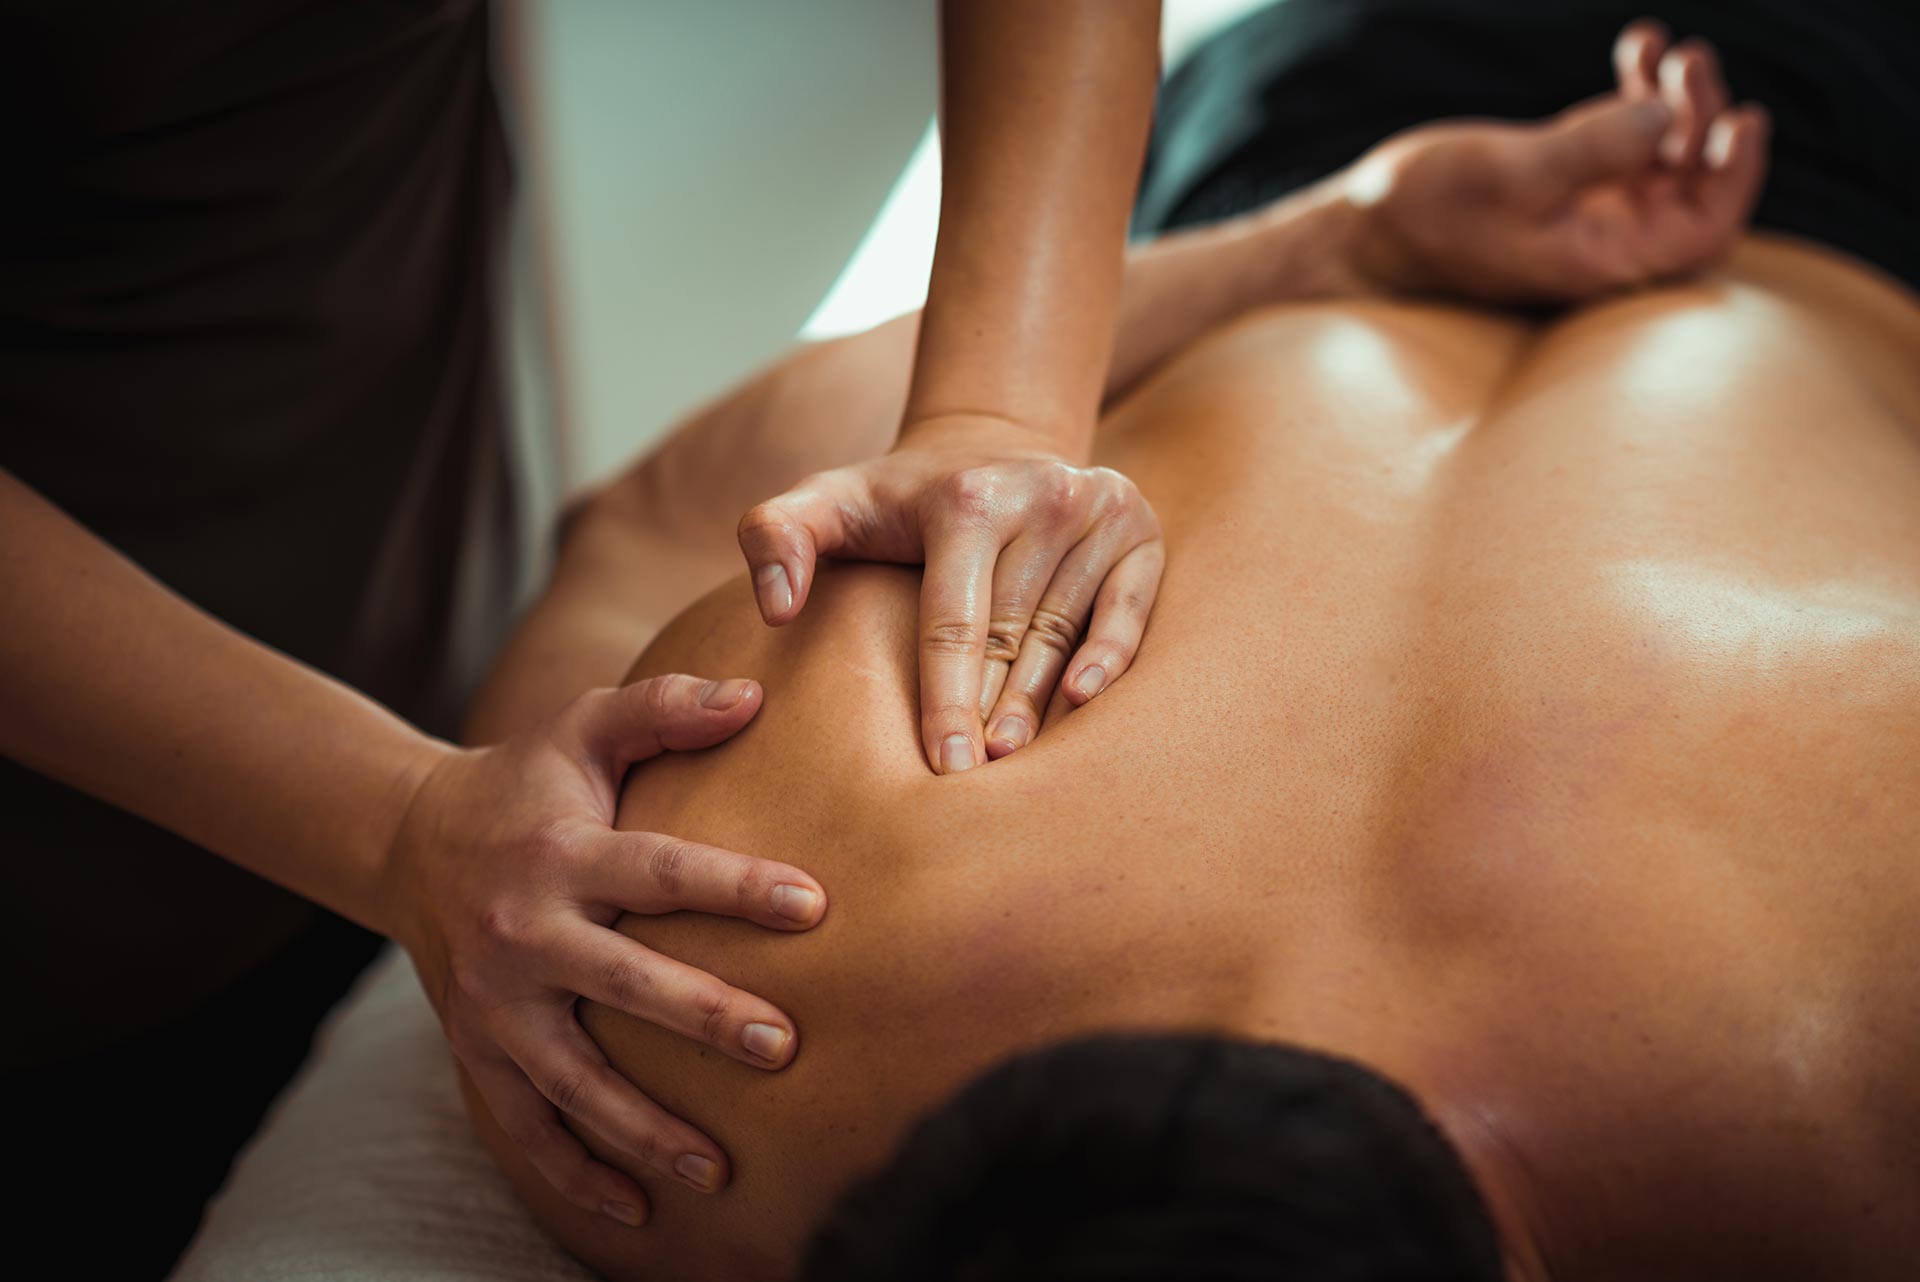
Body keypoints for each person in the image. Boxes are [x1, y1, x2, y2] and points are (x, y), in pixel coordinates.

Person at [453, 7, 1920, 1280]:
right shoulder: (693, 1059)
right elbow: (643, 522)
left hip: (1416, 188)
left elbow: (641, 517)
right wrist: (1330, 229)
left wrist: (1351, 227)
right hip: (1352, 138)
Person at [0, 0, 1175, 1270]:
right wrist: (390, 822)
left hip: (420, 614)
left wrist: (997, 408)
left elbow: (648, 516)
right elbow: (653, 514)